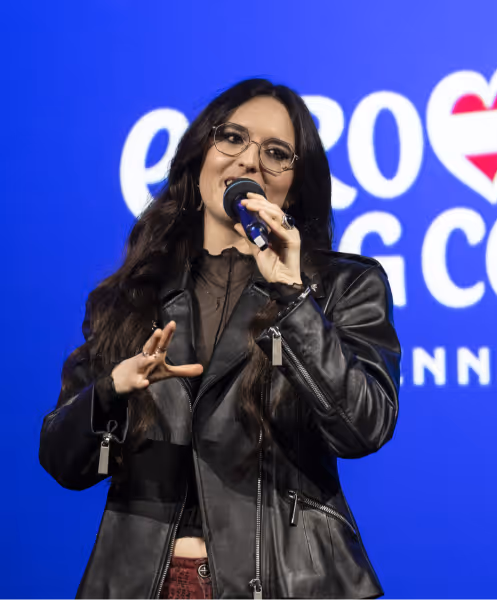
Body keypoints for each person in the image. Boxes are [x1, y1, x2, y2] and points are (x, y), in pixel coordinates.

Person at [39, 78, 401, 600]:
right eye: (232, 138)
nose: (249, 161)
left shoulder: (343, 286)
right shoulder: (133, 295)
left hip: (287, 583)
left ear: (295, 184)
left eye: (276, 153)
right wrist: (112, 390)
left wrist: (293, 298)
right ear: (200, 156)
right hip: (143, 583)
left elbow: (364, 428)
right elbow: (63, 463)